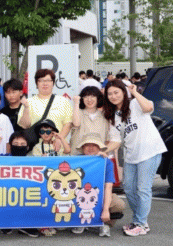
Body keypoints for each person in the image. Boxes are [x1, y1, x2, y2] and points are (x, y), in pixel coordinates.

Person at [103, 80, 166, 236]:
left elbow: (149, 108)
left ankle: (140, 223)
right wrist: (102, 150)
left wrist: (135, 92)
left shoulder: (135, 104)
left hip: (149, 152)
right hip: (131, 156)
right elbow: (116, 141)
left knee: (143, 189)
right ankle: (139, 220)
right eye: (110, 94)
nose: (113, 96)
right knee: (129, 188)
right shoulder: (113, 116)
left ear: (123, 92)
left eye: (116, 92)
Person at [73, 134, 126, 237]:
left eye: (94, 145)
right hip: (78, 196)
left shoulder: (106, 161)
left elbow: (108, 187)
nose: (91, 148)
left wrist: (106, 210)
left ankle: (105, 223)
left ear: (99, 148)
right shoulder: (76, 160)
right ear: (83, 147)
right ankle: (78, 222)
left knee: (118, 204)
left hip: (99, 194)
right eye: (87, 145)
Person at [18, 69, 73, 152]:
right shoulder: (28, 102)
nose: (45, 83)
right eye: (41, 81)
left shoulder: (63, 101)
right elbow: (24, 125)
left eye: (48, 80)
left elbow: (68, 124)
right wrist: (26, 108)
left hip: (57, 148)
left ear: (53, 83)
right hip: (35, 150)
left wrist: (59, 139)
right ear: (37, 83)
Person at [70, 87, 120, 156]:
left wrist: (104, 152)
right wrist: (76, 103)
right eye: (86, 97)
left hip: (98, 157)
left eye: (93, 96)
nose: (89, 99)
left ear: (98, 98)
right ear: (82, 99)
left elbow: (108, 140)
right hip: (78, 157)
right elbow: (76, 123)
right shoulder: (77, 112)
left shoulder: (105, 116)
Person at [7, 132, 39, 237]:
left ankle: (26, 225)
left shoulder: (33, 161)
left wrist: (45, 160)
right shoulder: (3, 158)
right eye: (16, 144)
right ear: (10, 146)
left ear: (27, 147)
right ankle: (6, 222)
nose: (19, 147)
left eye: (22, 144)